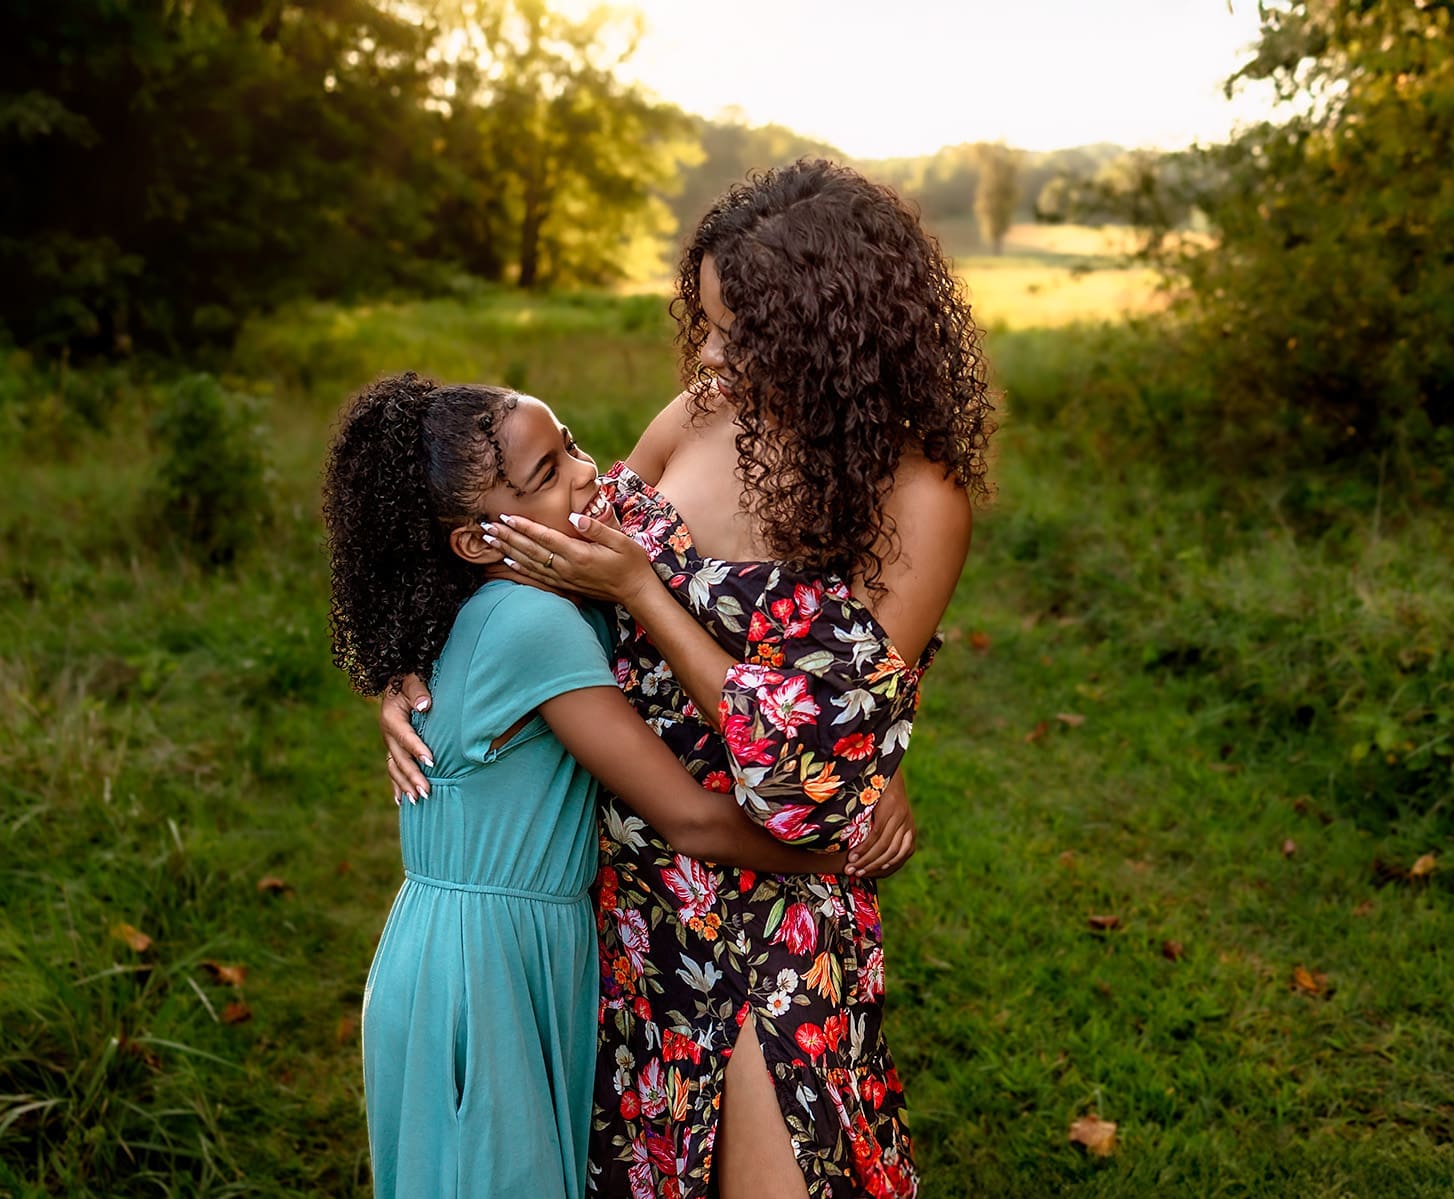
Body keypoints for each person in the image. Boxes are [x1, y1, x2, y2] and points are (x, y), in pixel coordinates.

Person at [383, 159, 992, 1198]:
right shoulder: (700, 415)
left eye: (737, 332)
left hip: (774, 882)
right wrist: (410, 666)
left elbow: (814, 767)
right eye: (704, 321)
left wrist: (654, 597)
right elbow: (541, 555)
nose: (709, 354)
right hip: (618, 874)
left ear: (832, 329)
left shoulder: (919, 500)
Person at [323, 373, 865, 1199]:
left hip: (445, 942)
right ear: (476, 540)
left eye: (572, 443)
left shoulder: (481, 601)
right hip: (489, 961)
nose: (588, 473)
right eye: (549, 472)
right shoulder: (534, 623)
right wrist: (840, 852)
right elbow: (687, 819)